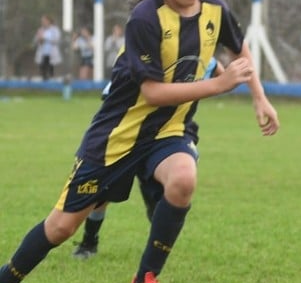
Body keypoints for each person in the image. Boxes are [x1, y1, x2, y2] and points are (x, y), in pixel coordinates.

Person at [0, 0, 280, 283]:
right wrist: (219, 86)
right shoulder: (145, 20)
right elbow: (152, 93)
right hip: (116, 139)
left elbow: (240, 51)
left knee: (183, 179)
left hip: (169, 132)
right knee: (61, 227)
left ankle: (145, 282)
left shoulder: (217, 12)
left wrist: (260, 99)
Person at [73, 57, 224, 260]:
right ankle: (89, 241)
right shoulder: (143, 55)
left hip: (169, 135)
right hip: (127, 135)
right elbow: (111, 98)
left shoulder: (200, 55)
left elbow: (219, 74)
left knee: (170, 190)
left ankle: (154, 245)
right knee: (102, 194)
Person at [33, 15, 63, 81]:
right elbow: (35, 41)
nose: (43, 22)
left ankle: (51, 83)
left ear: (49, 21)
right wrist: (39, 39)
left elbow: (57, 40)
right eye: (42, 21)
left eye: (44, 21)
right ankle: (44, 83)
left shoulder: (55, 29)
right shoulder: (40, 30)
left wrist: (45, 38)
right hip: (43, 52)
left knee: (50, 68)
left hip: (51, 53)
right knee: (43, 68)